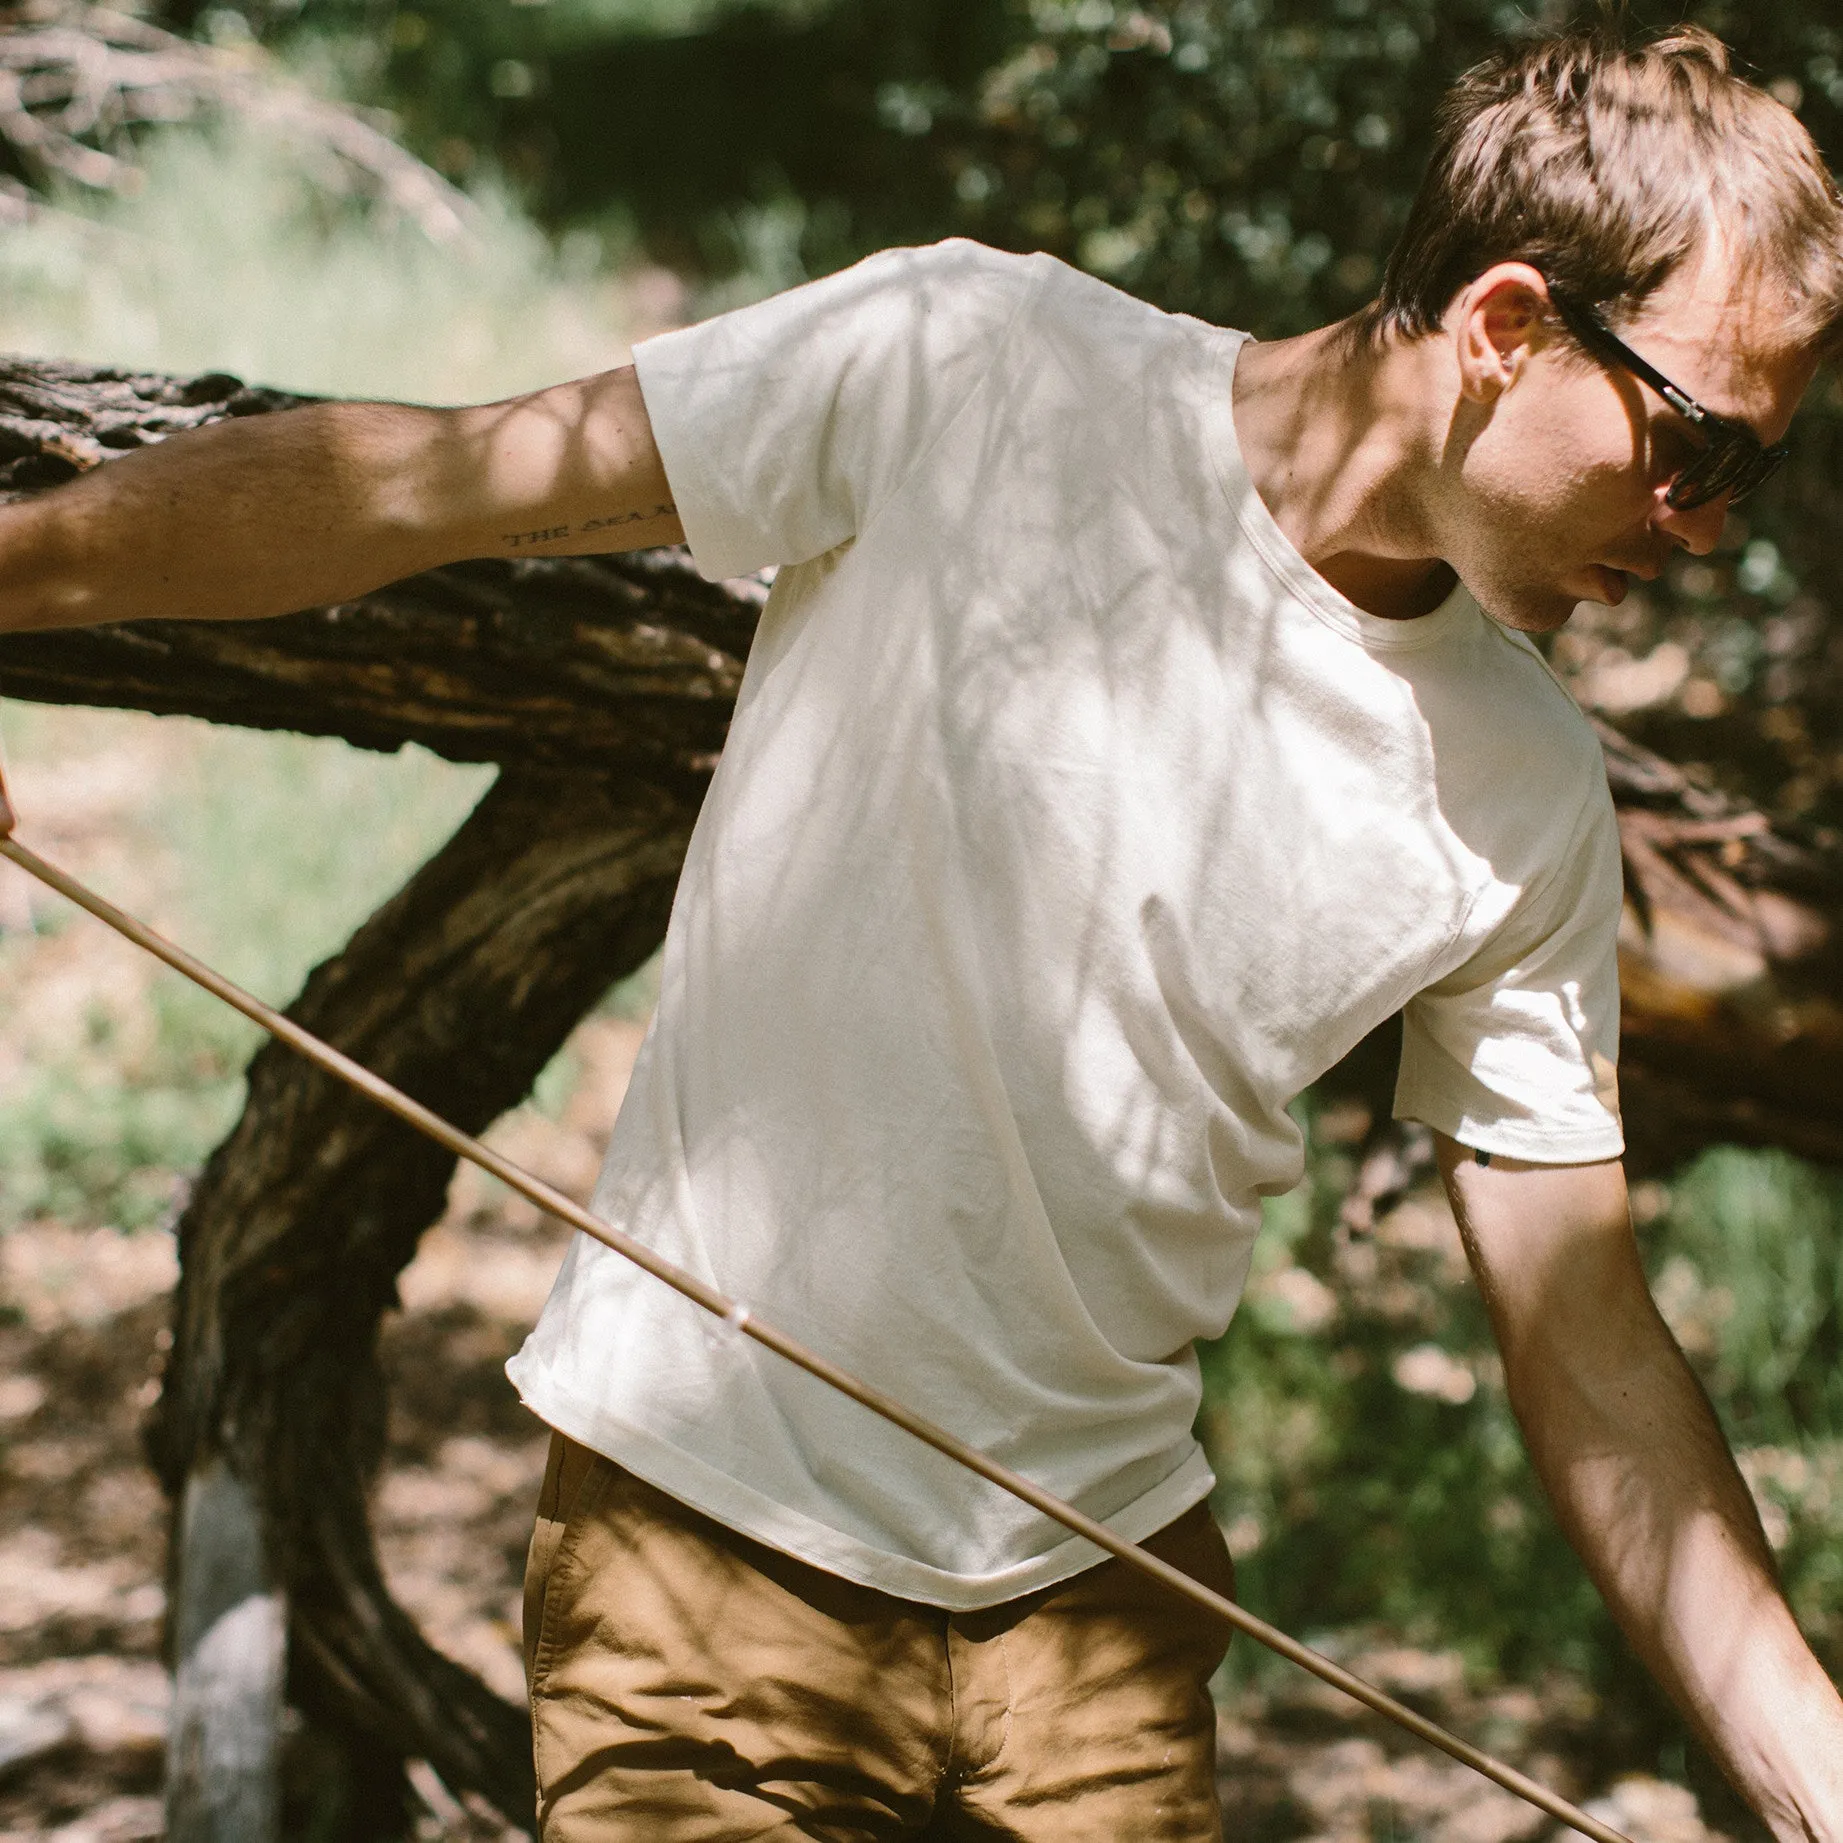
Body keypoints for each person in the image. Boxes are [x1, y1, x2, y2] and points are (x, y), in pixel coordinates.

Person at [4, 19, 1843, 1841]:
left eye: (1749, 478)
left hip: (1105, 1642)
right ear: (1505, 323)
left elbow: (1583, 1328)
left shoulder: (1519, 780)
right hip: (704, 1565)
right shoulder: (973, 363)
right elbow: (418, 487)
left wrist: (1810, 1772)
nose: (1706, 534)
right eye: (1697, 450)